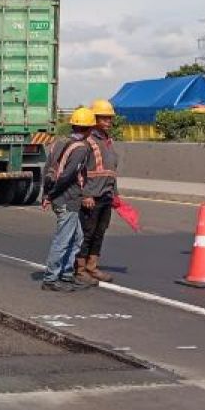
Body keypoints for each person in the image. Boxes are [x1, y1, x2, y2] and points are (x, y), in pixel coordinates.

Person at [39, 108, 94, 292]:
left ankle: (66, 274)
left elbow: (48, 169)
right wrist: (51, 195)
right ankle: (51, 278)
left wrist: (46, 193)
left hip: (60, 197)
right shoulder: (81, 148)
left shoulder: (59, 143)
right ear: (89, 129)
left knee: (77, 237)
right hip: (67, 199)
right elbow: (68, 176)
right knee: (63, 240)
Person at [77, 99, 120, 284]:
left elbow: (110, 171)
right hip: (91, 196)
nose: (108, 121)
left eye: (110, 118)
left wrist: (115, 193)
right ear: (94, 119)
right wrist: (85, 194)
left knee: (99, 232)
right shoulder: (87, 141)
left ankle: (92, 267)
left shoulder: (107, 141)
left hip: (105, 195)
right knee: (87, 233)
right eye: (104, 118)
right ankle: (79, 270)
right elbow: (79, 171)